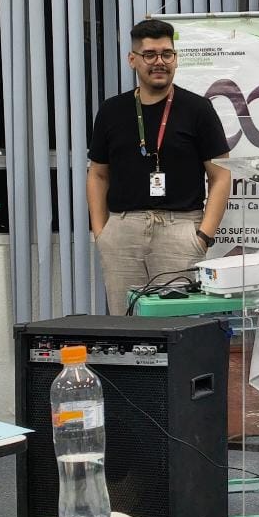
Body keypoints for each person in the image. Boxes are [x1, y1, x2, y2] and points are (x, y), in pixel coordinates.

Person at [87, 19, 231, 313]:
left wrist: (203, 236)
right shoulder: (111, 111)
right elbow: (98, 175)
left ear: (175, 58)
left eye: (167, 54)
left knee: (178, 325)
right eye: (150, 54)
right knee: (126, 322)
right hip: (123, 231)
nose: (159, 62)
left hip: (180, 230)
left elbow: (221, 175)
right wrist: (102, 233)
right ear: (133, 60)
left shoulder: (198, 109)